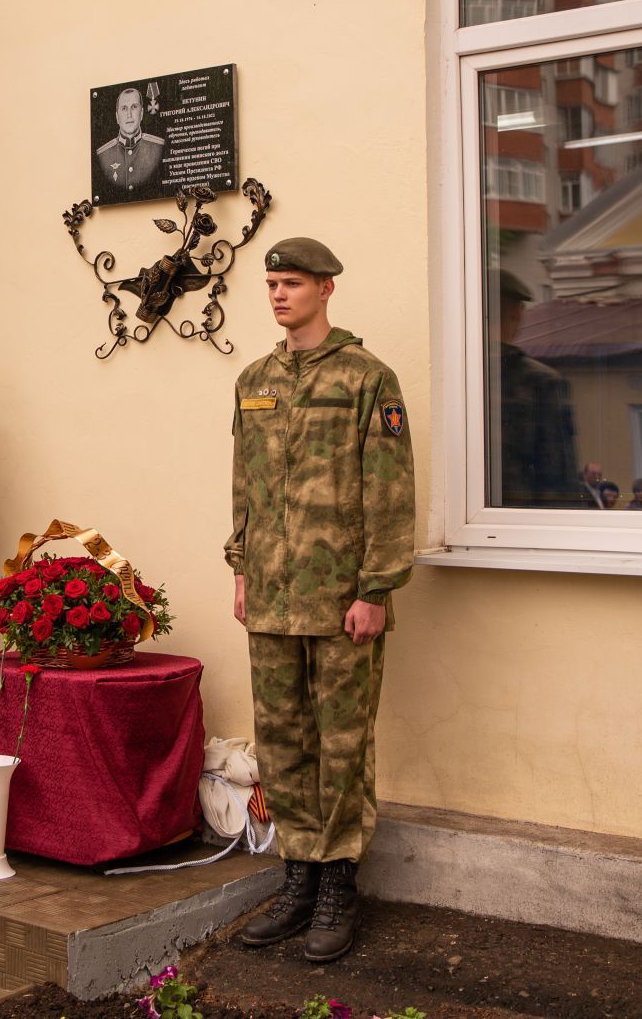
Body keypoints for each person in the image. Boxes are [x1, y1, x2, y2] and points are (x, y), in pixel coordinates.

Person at [227, 238, 414, 965]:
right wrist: (241, 568)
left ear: (327, 288)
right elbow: (243, 485)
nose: (277, 294)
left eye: (292, 282)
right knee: (282, 742)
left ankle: (339, 882)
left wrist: (376, 588)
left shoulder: (367, 377)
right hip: (272, 595)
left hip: (342, 600)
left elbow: (390, 489)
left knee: (341, 744)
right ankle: (298, 875)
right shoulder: (253, 378)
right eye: (271, 282)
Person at [494, 269, 581, 507]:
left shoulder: (457, 379)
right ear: (517, 313)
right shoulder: (540, 383)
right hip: (525, 522)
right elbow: (558, 475)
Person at [95, 84, 166, 190]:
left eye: (134, 107)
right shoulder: (103, 155)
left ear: (141, 113)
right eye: (124, 108)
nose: (129, 115)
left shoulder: (158, 148)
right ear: (117, 117)